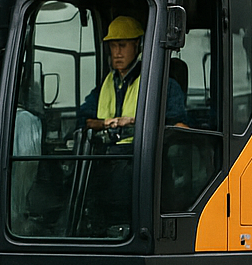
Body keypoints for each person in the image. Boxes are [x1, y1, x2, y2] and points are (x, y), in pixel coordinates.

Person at [75, 16, 188, 232]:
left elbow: (177, 127)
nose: (116, 52)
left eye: (122, 45)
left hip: (142, 163)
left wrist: (136, 122)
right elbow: (84, 120)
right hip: (107, 161)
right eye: (112, 46)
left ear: (138, 45)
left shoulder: (163, 85)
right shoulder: (105, 85)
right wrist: (107, 123)